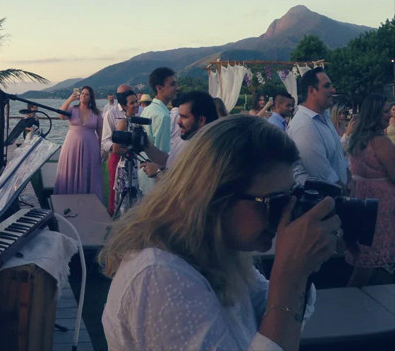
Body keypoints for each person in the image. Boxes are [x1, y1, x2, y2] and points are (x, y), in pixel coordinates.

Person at [100, 115, 341, 350]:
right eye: (275, 203)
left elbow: (272, 313)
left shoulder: (216, 250)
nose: (283, 216)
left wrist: (304, 262)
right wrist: (290, 274)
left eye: (291, 198)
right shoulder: (158, 277)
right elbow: (282, 310)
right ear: (215, 198)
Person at [344, 93, 395, 287]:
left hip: (362, 199)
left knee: (364, 255)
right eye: (384, 111)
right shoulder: (380, 142)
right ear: (374, 114)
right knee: (370, 258)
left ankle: (353, 298)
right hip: (381, 204)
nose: (388, 115)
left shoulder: (358, 139)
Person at [287, 68, 349, 190]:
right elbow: (323, 175)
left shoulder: (324, 117)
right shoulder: (304, 126)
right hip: (323, 202)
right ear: (311, 91)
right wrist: (345, 193)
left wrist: (350, 178)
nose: (333, 90)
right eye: (327, 86)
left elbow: (338, 156)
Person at [139, 90, 219, 177]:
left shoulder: (213, 148)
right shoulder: (184, 139)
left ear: (201, 120)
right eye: (179, 116)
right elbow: (169, 160)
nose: (178, 122)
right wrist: (147, 145)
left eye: (184, 117)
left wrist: (159, 170)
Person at [54, 86, 104, 201]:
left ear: (91, 97)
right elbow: (61, 116)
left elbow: (101, 133)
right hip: (71, 146)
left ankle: (88, 201)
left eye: (86, 94)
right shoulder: (72, 109)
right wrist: (70, 99)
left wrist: (102, 149)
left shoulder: (96, 113)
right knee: (70, 171)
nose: (83, 96)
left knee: (88, 173)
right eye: (82, 93)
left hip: (90, 148)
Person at [136, 67, 178, 195]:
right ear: (159, 88)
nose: (177, 87)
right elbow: (161, 154)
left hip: (142, 171)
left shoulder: (147, 110)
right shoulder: (163, 116)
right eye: (172, 84)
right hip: (155, 176)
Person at [110, 90, 144, 216]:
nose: (136, 105)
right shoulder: (123, 123)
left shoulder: (138, 121)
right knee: (125, 206)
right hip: (126, 168)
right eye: (132, 103)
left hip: (136, 168)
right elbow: (116, 148)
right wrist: (132, 152)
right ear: (124, 106)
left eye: (136, 101)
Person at [101, 84, 134, 213]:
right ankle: (113, 216)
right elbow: (105, 141)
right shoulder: (112, 113)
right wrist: (115, 148)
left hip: (135, 158)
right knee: (114, 190)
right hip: (117, 157)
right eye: (122, 94)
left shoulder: (139, 111)